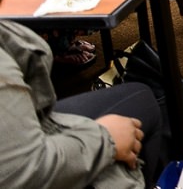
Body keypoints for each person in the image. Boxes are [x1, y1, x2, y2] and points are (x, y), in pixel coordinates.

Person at [0, 19, 166, 188]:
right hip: (34, 163)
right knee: (141, 105)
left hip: (30, 125)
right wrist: (106, 139)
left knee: (141, 97)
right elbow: (25, 171)